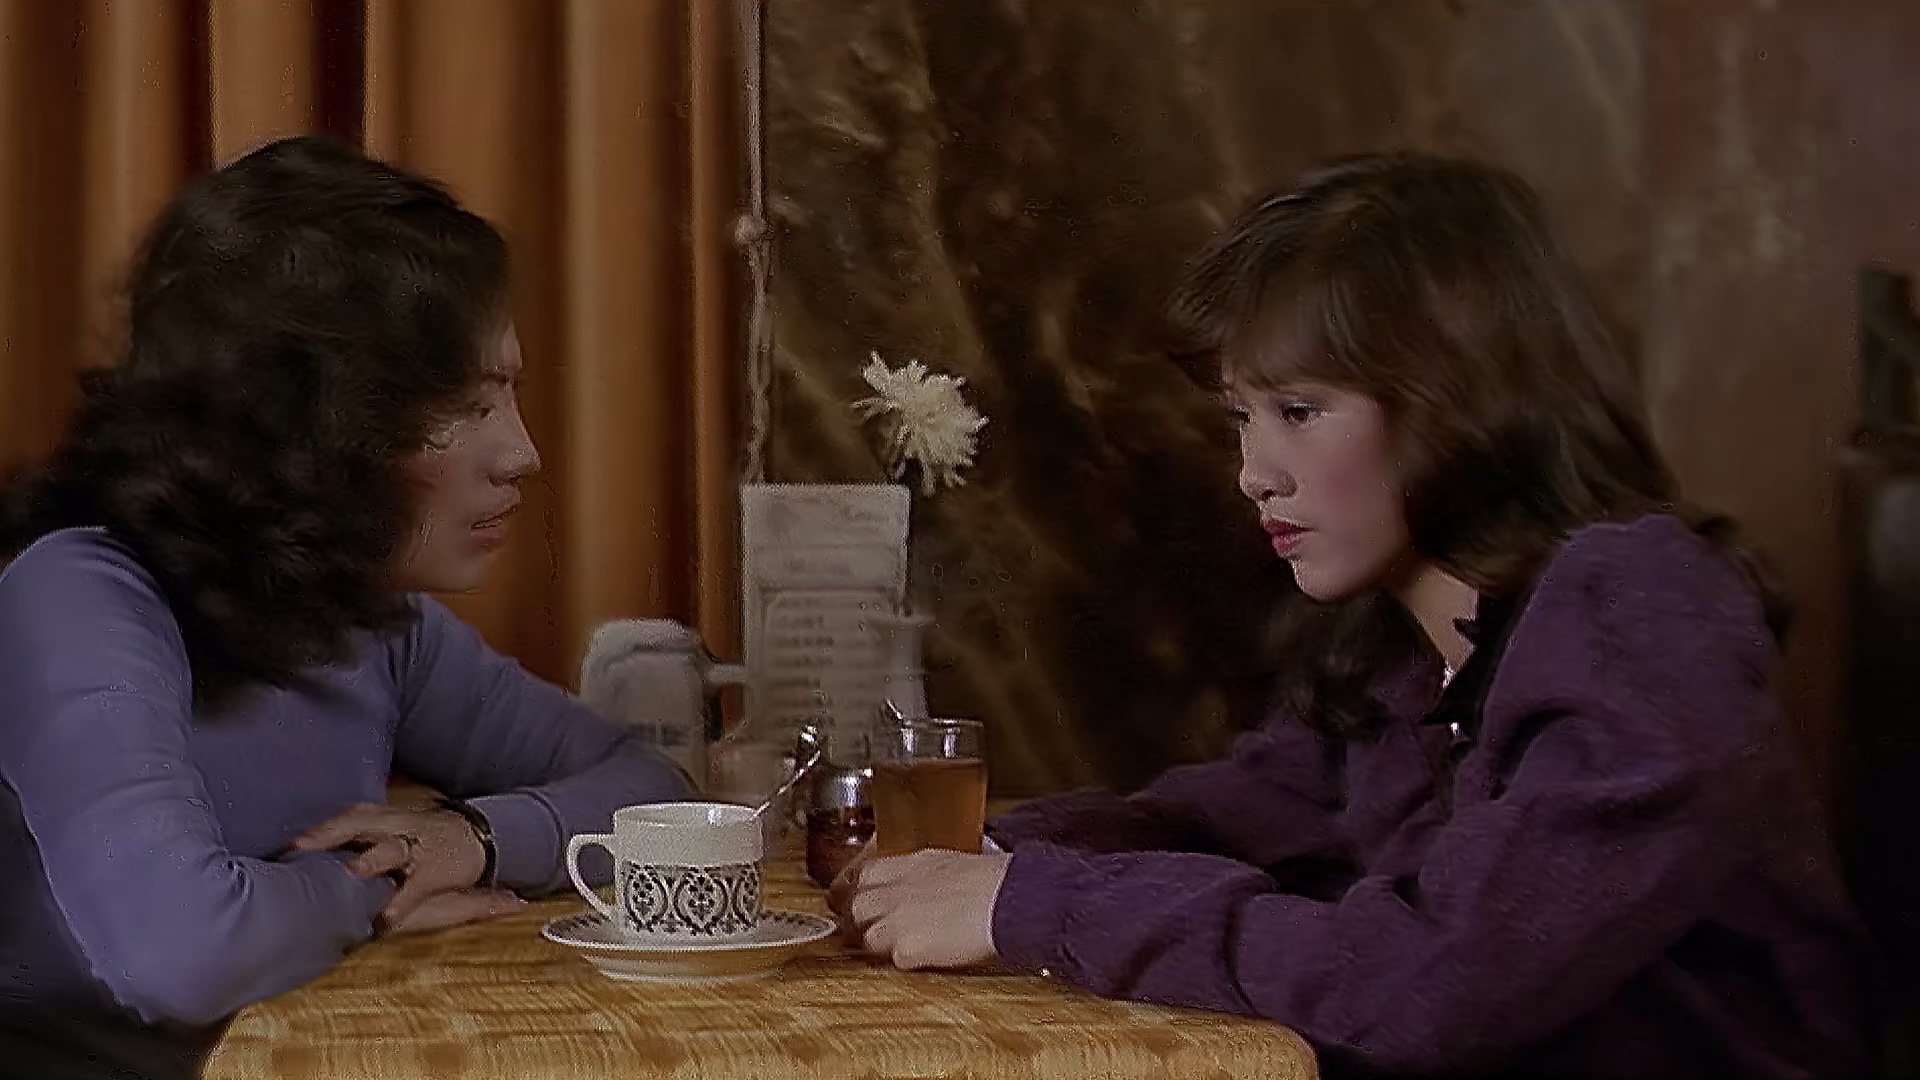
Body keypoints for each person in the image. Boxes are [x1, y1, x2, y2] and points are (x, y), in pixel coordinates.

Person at [831, 153, 1880, 1078]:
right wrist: (960, 853)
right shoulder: (1407, 649)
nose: (1253, 473)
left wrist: (1025, 903)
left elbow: (1439, 983)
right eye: (1242, 417)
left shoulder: (1643, 605)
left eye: (1299, 411)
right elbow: (1207, 819)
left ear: (1456, 396)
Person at [0, 136, 691, 1079]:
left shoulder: (370, 622)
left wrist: (474, 841)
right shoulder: (75, 595)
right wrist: (374, 885)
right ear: (309, 423)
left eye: (508, 394)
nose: (523, 454)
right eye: (464, 406)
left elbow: (658, 798)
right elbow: (183, 956)